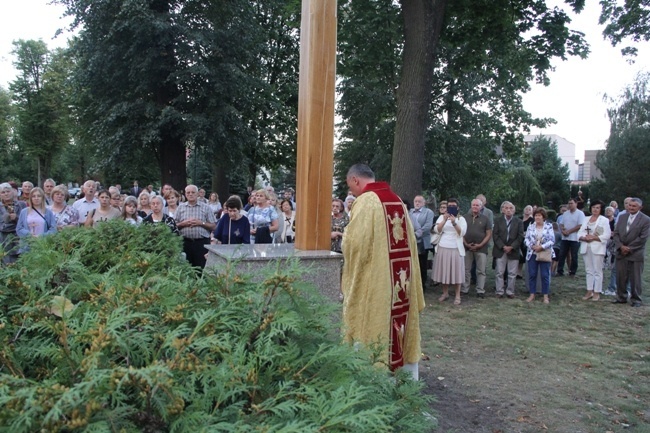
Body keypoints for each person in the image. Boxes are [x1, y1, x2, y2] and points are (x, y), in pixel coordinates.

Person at [341, 164, 424, 380]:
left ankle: (373, 380)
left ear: (355, 180)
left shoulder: (366, 203)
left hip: (377, 284)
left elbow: (356, 244)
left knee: (372, 322)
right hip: (401, 284)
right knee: (400, 326)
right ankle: (405, 384)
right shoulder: (397, 200)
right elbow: (412, 244)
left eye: (351, 187)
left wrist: (344, 240)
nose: (352, 192)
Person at [612, 198, 650, 307]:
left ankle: (636, 299)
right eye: (630, 205)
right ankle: (621, 297)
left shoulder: (646, 220)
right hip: (621, 252)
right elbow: (616, 233)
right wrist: (621, 246)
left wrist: (628, 248)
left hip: (635, 253)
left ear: (640, 207)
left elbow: (643, 238)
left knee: (635, 278)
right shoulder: (622, 217)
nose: (631, 207)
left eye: (634, 206)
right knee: (620, 276)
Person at [432, 198, 467, 305]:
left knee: (456, 273)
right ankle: (445, 293)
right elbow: (436, 230)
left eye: (453, 206)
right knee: (444, 271)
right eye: (449, 206)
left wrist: (454, 222)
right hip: (443, 246)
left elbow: (462, 233)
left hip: (456, 248)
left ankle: (457, 295)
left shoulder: (461, 219)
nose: (451, 208)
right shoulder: (442, 217)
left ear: (457, 207)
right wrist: (444, 220)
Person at [175, 185, 217, 269]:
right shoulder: (180, 208)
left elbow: (214, 226)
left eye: (193, 192)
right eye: (188, 192)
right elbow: (174, 225)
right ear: (185, 194)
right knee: (185, 268)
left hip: (201, 243)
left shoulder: (206, 207)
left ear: (197, 194)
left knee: (201, 268)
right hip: (185, 242)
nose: (190, 194)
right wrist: (183, 223)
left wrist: (201, 223)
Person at [577, 200, 611, 301]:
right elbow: (579, 233)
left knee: (597, 270)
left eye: (597, 208)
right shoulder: (586, 219)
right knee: (589, 270)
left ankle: (597, 292)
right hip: (586, 246)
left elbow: (607, 235)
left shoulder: (604, 220)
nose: (595, 209)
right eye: (593, 207)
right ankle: (589, 291)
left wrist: (593, 238)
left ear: (601, 209)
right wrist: (584, 238)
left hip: (598, 247)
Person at [461, 199, 492, 298]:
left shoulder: (485, 219)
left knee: (481, 270)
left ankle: (480, 290)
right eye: (473, 205)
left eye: (477, 205)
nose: (475, 207)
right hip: (467, 248)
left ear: (481, 207)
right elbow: (460, 233)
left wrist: (481, 245)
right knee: (466, 269)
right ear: (471, 206)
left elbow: (488, 234)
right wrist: (466, 244)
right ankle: (465, 289)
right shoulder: (464, 218)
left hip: (481, 248)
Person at [492, 201, 524, 298]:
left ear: (514, 211)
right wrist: (503, 246)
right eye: (506, 208)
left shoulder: (519, 222)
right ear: (502, 210)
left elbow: (520, 236)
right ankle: (499, 291)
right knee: (499, 272)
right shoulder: (497, 221)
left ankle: (510, 291)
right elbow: (495, 235)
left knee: (512, 273)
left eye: (511, 208)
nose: (508, 210)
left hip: (513, 250)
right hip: (500, 250)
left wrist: (511, 247)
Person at [524, 208, 554, 304]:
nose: (537, 217)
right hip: (532, 253)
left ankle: (545, 295)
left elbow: (552, 240)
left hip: (544, 253)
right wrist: (532, 246)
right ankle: (532, 294)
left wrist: (541, 247)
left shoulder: (549, 226)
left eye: (539, 215)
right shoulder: (531, 227)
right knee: (532, 274)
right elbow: (526, 239)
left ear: (543, 217)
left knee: (545, 275)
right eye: (536, 215)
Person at [16, 187, 57, 253]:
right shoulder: (24, 212)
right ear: (31, 198)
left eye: (39, 196)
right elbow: (19, 228)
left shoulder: (48, 212)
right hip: (27, 245)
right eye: (33, 196)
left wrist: (42, 236)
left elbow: (53, 229)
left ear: (42, 198)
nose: (36, 198)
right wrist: (29, 235)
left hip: (43, 245)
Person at [409, 195, 435, 288]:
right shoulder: (410, 211)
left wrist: (416, 234)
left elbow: (428, 226)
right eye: (415, 201)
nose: (417, 203)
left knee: (422, 264)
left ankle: (422, 285)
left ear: (424, 203)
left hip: (422, 242)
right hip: (411, 242)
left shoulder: (428, 212)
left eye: (419, 201)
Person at [556, 198, 585, 277]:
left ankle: (572, 271)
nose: (570, 205)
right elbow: (561, 223)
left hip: (575, 238)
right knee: (562, 254)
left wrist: (569, 231)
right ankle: (560, 271)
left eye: (571, 203)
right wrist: (563, 230)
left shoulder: (580, 213)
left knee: (574, 255)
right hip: (565, 238)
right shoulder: (565, 214)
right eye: (569, 203)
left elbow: (580, 225)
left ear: (576, 204)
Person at [1, 183, 28, 263]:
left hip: (20, 239)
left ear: (12, 192)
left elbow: (26, 222)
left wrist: (16, 218)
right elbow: (2, 227)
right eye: (3, 192)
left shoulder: (22, 204)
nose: (6, 194)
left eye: (8, 191)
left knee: (21, 263)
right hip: (4, 241)